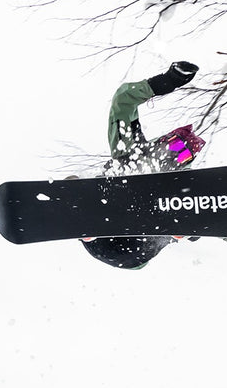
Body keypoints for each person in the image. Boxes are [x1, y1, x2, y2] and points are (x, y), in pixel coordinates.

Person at [81, 61, 201, 270]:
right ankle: (86, 221)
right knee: (128, 165)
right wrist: (169, 81)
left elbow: (220, 207)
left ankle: (179, 229)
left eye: (183, 155)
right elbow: (123, 100)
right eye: (176, 146)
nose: (175, 155)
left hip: (138, 249)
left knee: (178, 202)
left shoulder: (182, 180)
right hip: (103, 238)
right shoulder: (129, 148)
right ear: (165, 139)